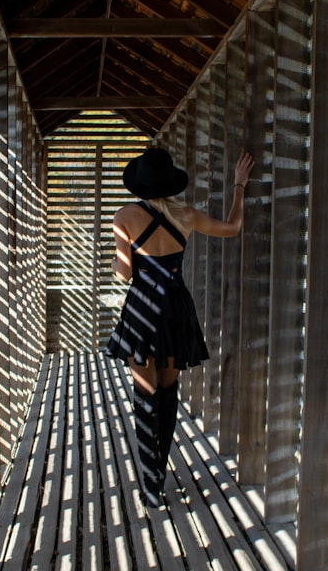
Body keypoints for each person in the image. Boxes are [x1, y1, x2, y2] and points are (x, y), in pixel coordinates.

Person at [105, 147, 255, 508]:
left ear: (139, 184)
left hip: (144, 309)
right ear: (169, 182)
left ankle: (152, 484)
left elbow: (124, 273)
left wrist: (116, 260)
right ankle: (161, 467)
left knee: (145, 396)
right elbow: (233, 228)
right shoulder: (185, 215)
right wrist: (238, 185)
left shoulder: (124, 216)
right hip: (175, 309)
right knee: (168, 393)